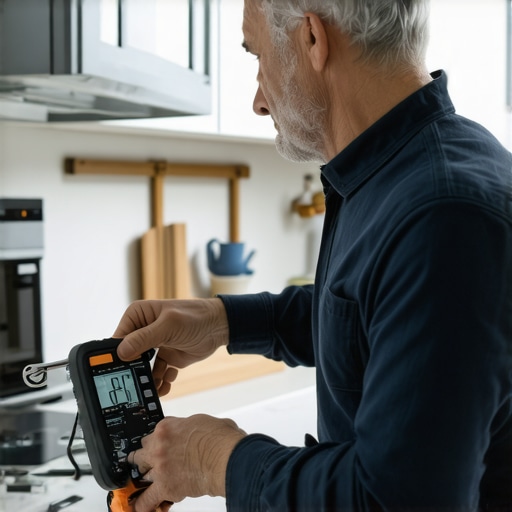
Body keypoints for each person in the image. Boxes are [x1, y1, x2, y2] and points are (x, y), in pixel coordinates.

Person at [113, 0, 512, 510]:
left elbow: (396, 499)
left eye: (257, 57)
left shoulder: (445, 214)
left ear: (312, 40)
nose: (258, 99)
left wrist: (216, 460)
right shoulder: (395, 177)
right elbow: (374, 317)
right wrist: (222, 321)